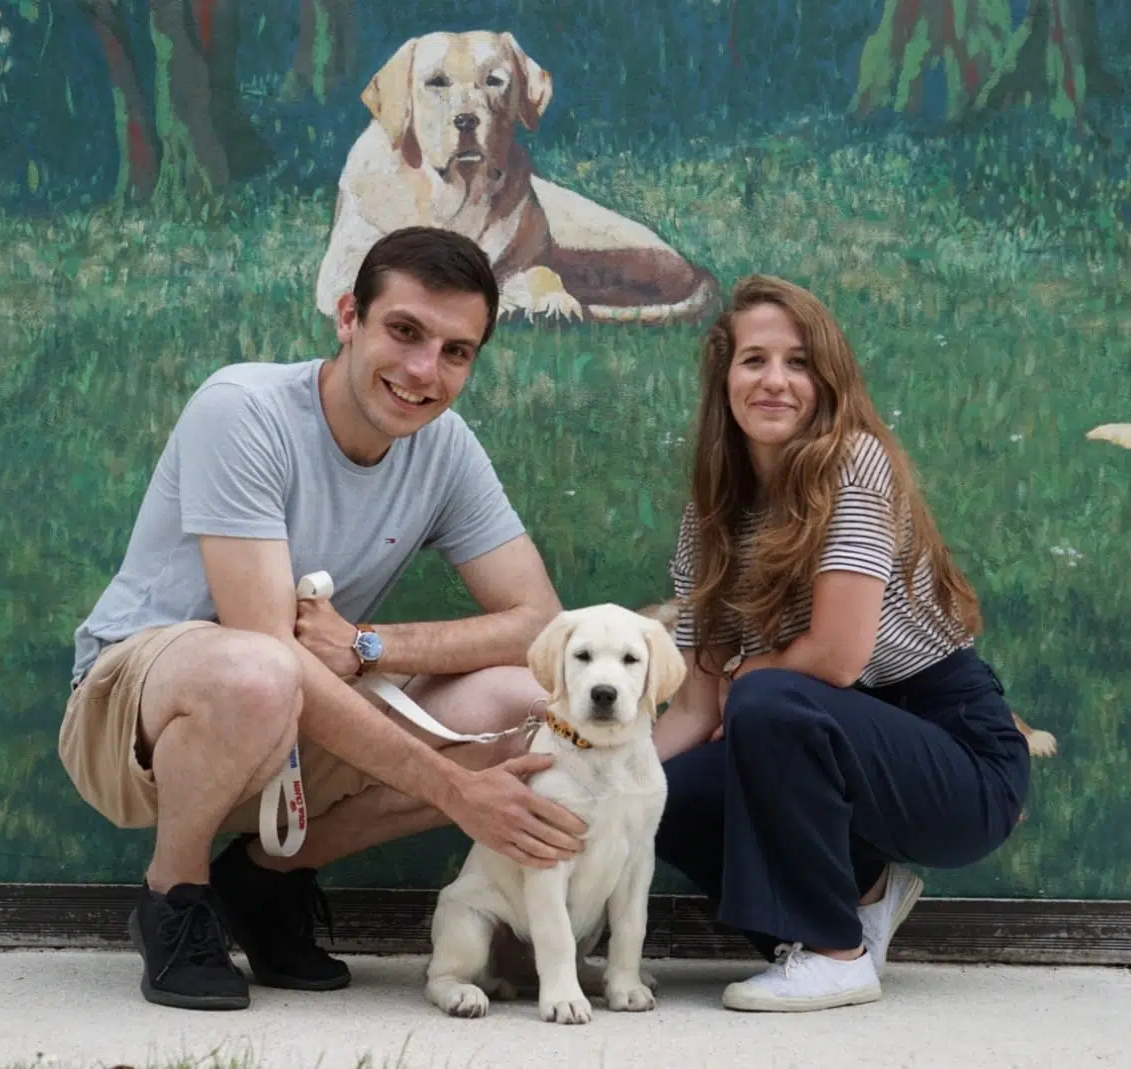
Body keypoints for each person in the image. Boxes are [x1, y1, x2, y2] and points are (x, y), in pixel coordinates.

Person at [57, 226, 588, 1012]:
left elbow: (540, 621)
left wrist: (371, 645)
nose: (422, 371)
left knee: (525, 705)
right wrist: (452, 791)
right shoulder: (242, 409)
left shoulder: (444, 448)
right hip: (133, 716)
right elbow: (270, 643)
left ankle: (263, 879)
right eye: (404, 332)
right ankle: (176, 897)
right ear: (349, 316)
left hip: (289, 721)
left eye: (454, 351)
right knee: (258, 668)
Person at [650, 274, 1030, 1013]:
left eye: (799, 363)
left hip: (956, 755)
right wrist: (594, 779)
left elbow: (838, 657)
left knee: (769, 697)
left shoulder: (853, 461)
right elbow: (695, 711)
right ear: (724, 374)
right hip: (827, 737)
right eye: (754, 359)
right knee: (662, 794)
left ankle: (834, 951)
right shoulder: (712, 512)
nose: (776, 381)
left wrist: (751, 686)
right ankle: (861, 890)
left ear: (828, 381)